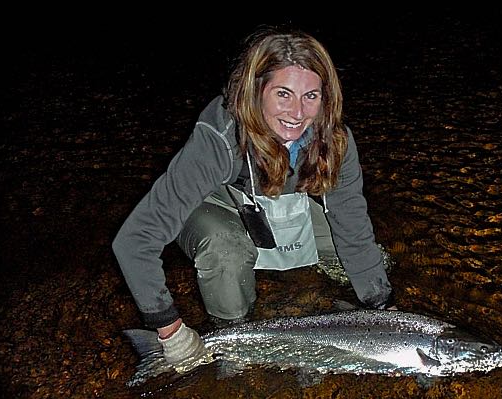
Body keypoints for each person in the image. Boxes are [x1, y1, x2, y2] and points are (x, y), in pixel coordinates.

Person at [112, 26, 393, 373]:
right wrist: (170, 329)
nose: (298, 113)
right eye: (283, 94)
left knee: (368, 259)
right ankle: (230, 334)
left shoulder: (335, 141)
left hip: (282, 207)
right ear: (257, 90)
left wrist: (381, 306)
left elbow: (351, 220)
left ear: (326, 97)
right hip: (217, 204)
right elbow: (134, 241)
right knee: (226, 248)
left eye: (311, 96)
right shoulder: (220, 137)